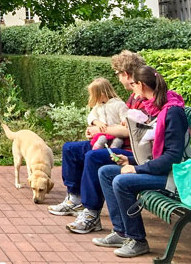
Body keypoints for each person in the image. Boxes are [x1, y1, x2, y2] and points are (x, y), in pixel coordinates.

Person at [49, 50, 147, 235]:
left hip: (127, 149)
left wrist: (100, 130)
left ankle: (92, 213)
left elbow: (130, 130)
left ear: (125, 73)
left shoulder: (141, 96)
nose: (117, 79)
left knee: (93, 157)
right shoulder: (134, 96)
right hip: (113, 143)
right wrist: (94, 127)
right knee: (70, 149)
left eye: (117, 74)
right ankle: (75, 198)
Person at [94, 66, 188, 257]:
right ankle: (121, 232)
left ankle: (137, 240)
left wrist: (137, 170)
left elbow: (173, 157)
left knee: (122, 181)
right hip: (160, 169)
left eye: (133, 84)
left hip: (174, 176)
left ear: (142, 85)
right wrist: (128, 159)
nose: (132, 88)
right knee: (106, 172)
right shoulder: (158, 108)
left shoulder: (172, 113)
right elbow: (155, 152)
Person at [86, 78, 128, 149]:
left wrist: (124, 121)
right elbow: (90, 117)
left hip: (116, 134)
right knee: (101, 139)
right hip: (103, 135)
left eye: (93, 95)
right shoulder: (98, 107)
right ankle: (95, 152)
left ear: (102, 95)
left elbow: (125, 118)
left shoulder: (119, 104)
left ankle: (113, 153)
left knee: (118, 141)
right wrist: (97, 122)